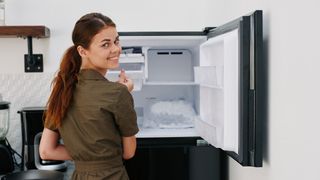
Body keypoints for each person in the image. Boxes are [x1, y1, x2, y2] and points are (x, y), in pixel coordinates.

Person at [39, 12, 139, 180]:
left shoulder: (62, 89)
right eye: (105, 45)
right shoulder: (118, 93)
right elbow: (129, 152)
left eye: (116, 41)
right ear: (82, 51)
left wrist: (85, 156)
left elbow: (46, 151)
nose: (116, 49)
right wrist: (124, 94)